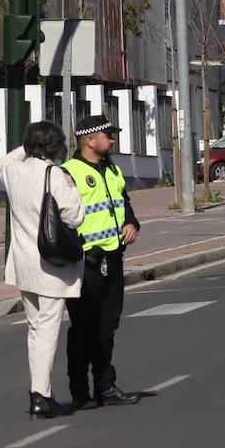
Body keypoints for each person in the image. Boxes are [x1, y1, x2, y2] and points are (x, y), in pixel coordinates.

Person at [0, 121, 86, 419]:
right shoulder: (55, 174)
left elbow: (8, 158)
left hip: (24, 264)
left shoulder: (12, 170)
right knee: (48, 329)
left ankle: (39, 393)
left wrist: (27, 147)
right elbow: (75, 217)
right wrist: (72, 188)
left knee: (35, 329)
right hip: (50, 266)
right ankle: (42, 396)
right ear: (54, 147)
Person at [62, 116, 141, 410]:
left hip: (113, 258)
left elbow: (123, 203)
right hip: (85, 263)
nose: (113, 139)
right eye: (108, 135)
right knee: (84, 328)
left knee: (107, 328)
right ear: (89, 140)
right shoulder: (67, 173)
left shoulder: (112, 169)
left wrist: (133, 224)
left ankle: (105, 387)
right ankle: (80, 391)